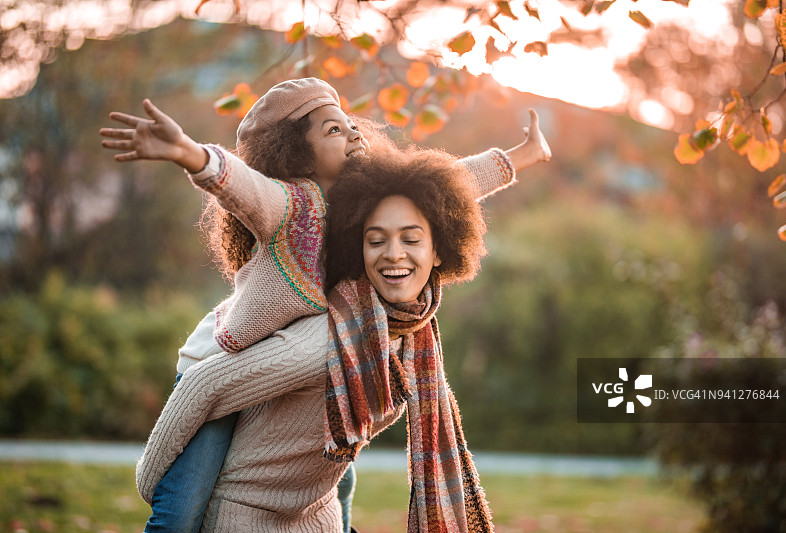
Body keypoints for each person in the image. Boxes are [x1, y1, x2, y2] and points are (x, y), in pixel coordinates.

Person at [100, 77, 550, 532]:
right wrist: (189, 154)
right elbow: (240, 186)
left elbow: (450, 184)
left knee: (338, 466)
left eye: (350, 125)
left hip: (310, 359)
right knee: (181, 510)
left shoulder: (365, 209)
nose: (353, 134)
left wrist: (525, 155)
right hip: (223, 361)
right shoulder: (288, 208)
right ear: (295, 151)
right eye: (333, 130)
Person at [136, 146, 494, 532]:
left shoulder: (413, 331)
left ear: (439, 251)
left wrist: (520, 156)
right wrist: (155, 487)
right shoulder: (326, 339)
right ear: (358, 249)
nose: (394, 254)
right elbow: (202, 383)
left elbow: (461, 183)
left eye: (411, 239)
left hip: (314, 518)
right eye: (376, 240)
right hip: (244, 519)